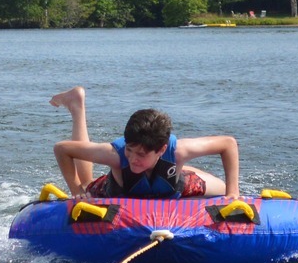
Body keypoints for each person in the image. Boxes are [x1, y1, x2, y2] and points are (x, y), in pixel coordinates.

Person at [48, 85, 238, 200]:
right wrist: (76, 192)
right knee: (86, 182)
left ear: (161, 150)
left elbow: (227, 144)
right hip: (120, 189)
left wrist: (233, 192)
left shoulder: (179, 151)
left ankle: (182, 170)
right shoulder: (116, 155)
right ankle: (76, 105)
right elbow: (62, 149)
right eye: (130, 150)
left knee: (222, 188)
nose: (133, 159)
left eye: (141, 155)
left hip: (175, 183)